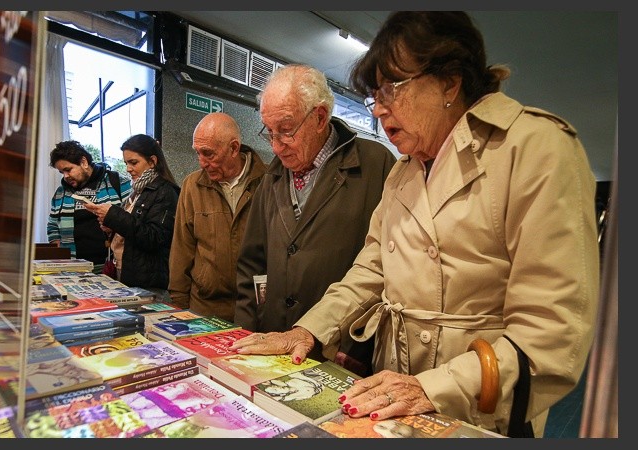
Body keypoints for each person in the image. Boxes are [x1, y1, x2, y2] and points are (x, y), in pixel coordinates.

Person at [231, 11, 600, 438]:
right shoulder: (403, 171)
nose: (379, 109)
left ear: (450, 82)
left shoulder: (536, 147)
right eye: (374, 96)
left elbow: (552, 331)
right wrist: (308, 331)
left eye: (392, 89)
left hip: (478, 409)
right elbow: (370, 271)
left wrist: (434, 386)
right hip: (392, 396)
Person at [233, 63, 397, 370]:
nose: (275, 146)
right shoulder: (271, 178)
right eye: (269, 131)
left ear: (320, 117)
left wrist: (355, 346)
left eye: (285, 130)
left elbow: (384, 270)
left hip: (342, 349)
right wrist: (245, 332)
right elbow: (252, 265)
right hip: (275, 342)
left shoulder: (377, 165)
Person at [168, 112, 268, 322]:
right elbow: (182, 248)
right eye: (197, 153)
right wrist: (178, 303)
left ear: (234, 148)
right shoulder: (192, 186)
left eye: (208, 154)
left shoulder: (269, 182)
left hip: (258, 309)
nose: (201, 162)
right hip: (205, 308)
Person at [85, 134, 179, 300]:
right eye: (126, 163)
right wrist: (111, 228)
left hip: (147, 282)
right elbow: (132, 229)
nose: (128, 168)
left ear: (152, 161)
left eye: (133, 162)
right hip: (127, 272)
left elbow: (154, 237)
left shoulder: (165, 192)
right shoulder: (136, 191)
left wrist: (113, 216)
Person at [47, 140, 130, 274]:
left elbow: (133, 222)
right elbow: (52, 225)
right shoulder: (61, 193)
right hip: (73, 270)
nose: (65, 176)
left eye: (68, 170)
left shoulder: (118, 183)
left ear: (84, 162)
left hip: (113, 267)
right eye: (61, 172)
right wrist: (59, 254)